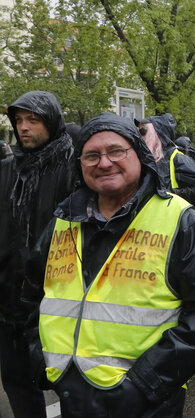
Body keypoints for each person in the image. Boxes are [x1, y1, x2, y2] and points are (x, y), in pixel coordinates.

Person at [20, 113, 195, 417]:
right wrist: (42, 364)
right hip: (73, 395)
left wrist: (144, 384)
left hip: (148, 402)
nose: (104, 163)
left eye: (116, 151)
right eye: (91, 155)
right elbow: (30, 297)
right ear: (79, 164)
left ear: (139, 154)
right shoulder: (63, 220)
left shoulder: (180, 220)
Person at [0, 90, 76, 418]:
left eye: (33, 120)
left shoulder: (73, 165)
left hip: (57, 301)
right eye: (19, 121)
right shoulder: (7, 170)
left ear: (52, 121)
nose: (24, 128)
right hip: (8, 302)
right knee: (17, 383)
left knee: (70, 385)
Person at [137, 115, 195, 207]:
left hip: (174, 218)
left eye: (143, 131)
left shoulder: (179, 159)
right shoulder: (145, 160)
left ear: (157, 133)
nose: (139, 136)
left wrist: (171, 193)